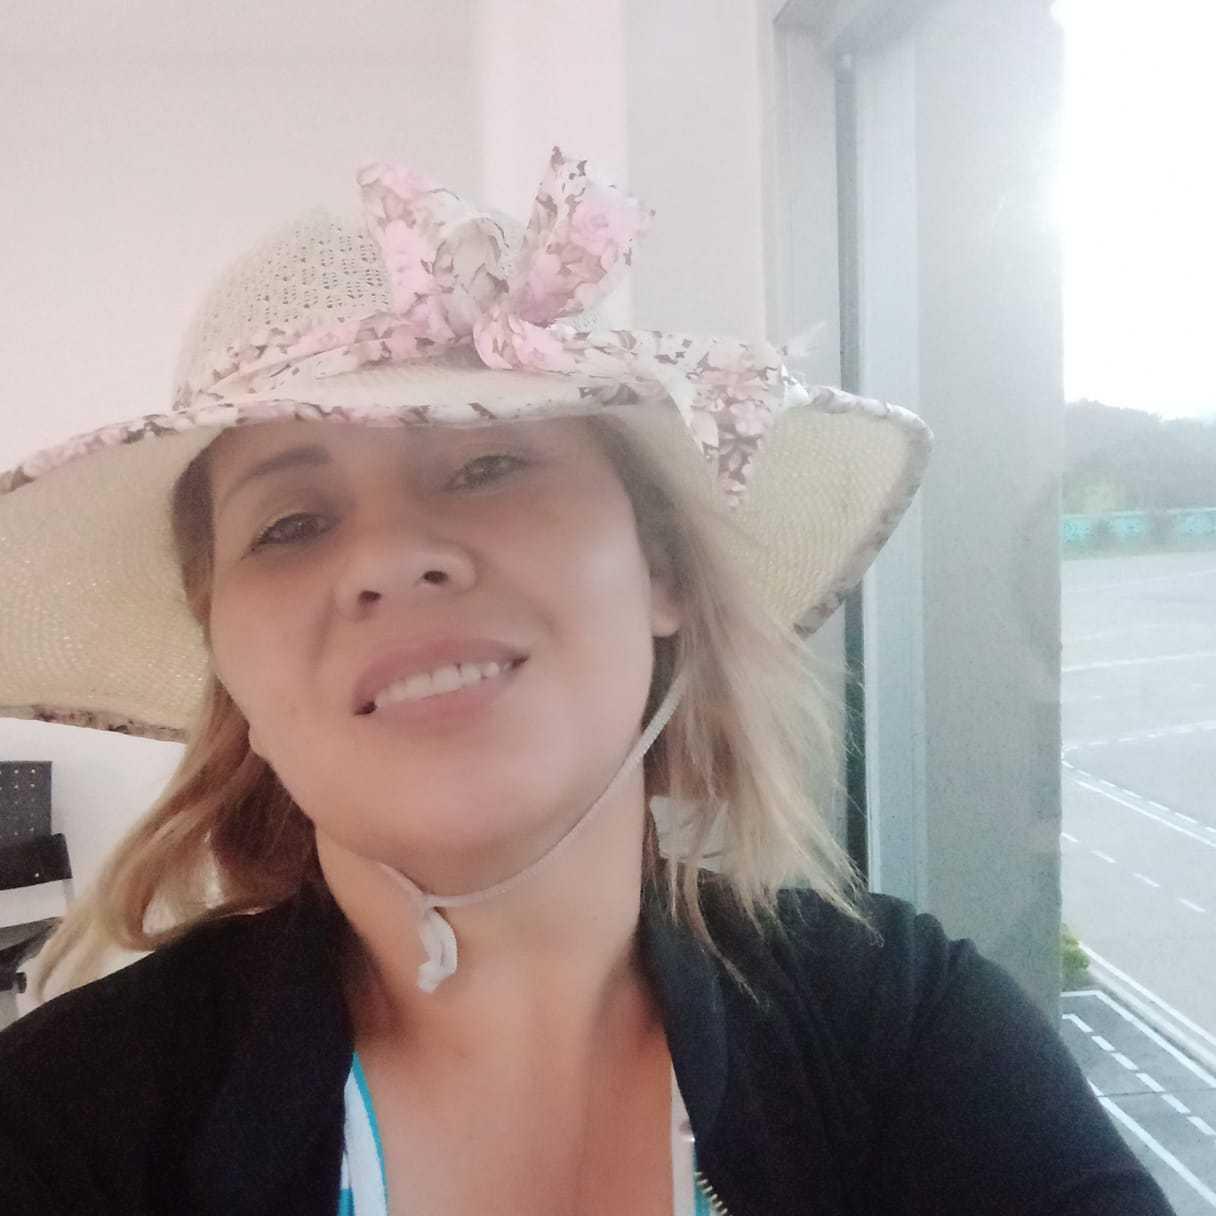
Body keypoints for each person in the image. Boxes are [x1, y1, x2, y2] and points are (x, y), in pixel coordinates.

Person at [0, 149, 1173, 1216]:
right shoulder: (65, 1121)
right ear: (228, 660)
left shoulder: (907, 1040)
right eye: (291, 523)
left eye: (486, 463)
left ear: (660, 565)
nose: (389, 558)